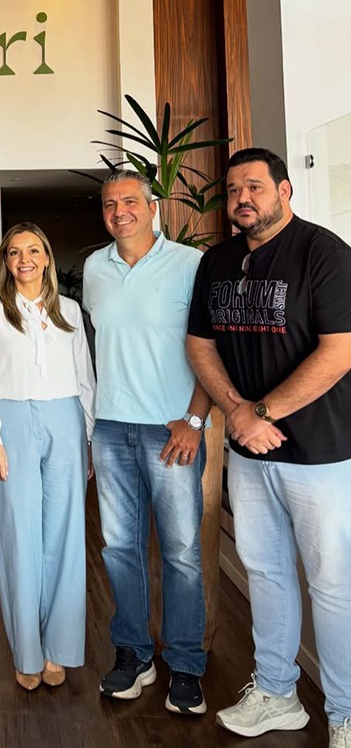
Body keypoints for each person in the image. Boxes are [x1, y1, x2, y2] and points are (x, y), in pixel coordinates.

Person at [186, 148, 351, 747]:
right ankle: (279, 694)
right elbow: (199, 344)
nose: (242, 199)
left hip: (321, 453)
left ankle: (345, 711)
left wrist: (259, 413)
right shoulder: (218, 261)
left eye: (254, 187)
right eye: (233, 190)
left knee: (332, 584)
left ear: (284, 190)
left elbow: (339, 351)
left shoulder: (323, 253)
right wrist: (237, 411)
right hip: (251, 452)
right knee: (266, 573)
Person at [82, 169, 212, 715]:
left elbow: (212, 348)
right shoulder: (94, 268)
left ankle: (185, 664)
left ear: (153, 207)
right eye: (110, 204)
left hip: (172, 430)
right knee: (119, 548)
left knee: (181, 552)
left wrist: (195, 420)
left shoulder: (190, 264)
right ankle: (134, 654)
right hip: (111, 429)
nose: (119, 212)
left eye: (129, 202)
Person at [0, 222, 95, 691]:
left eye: (33, 251)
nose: (25, 260)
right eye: (15, 252)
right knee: (19, 536)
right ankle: (27, 650)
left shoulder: (70, 311)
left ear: (46, 258)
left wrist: (86, 439)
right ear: (6, 261)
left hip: (66, 422)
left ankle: (58, 647)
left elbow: (85, 379)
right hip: (13, 423)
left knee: (65, 537)